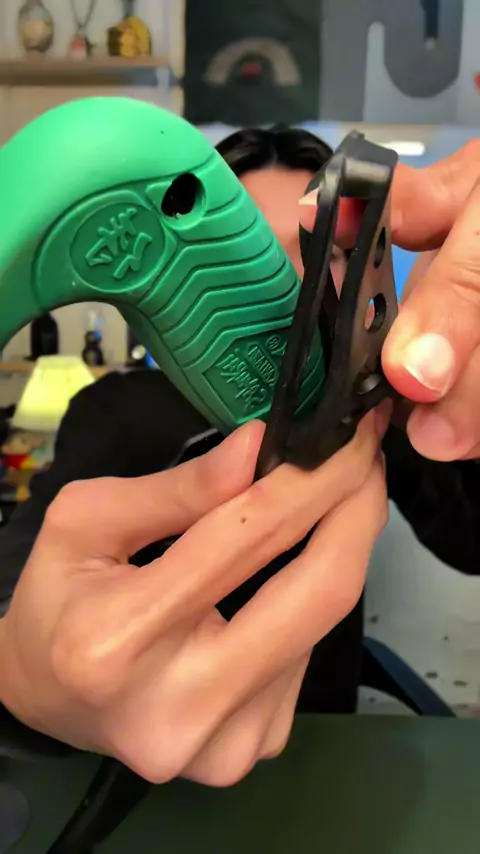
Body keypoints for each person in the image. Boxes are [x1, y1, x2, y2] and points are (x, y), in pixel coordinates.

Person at [0, 126, 478, 787]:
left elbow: (471, 537)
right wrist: (22, 676)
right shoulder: (120, 409)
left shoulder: (375, 412)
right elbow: (21, 581)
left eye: (322, 254)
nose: (292, 287)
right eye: (252, 255)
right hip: (131, 785)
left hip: (321, 770)